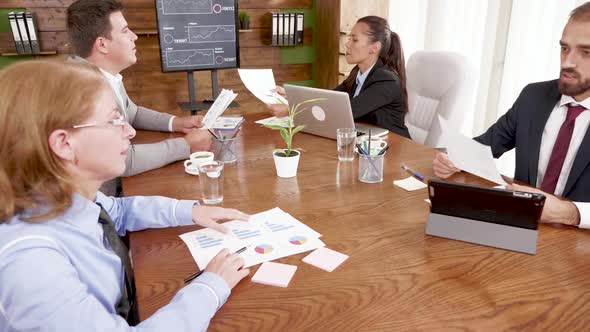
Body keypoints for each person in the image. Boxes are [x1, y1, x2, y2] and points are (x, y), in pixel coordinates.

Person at [0, 60, 250, 331]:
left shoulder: (60, 196)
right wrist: (210, 287)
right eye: (113, 120)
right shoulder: (32, 266)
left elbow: (116, 212)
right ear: (64, 143)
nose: (130, 131)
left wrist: (191, 211)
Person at [433, 2, 590, 228]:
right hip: (520, 225)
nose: (567, 62)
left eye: (586, 52)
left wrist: (571, 213)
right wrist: (454, 158)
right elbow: (487, 145)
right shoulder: (534, 96)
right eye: (564, 48)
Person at [67, 0, 212, 195]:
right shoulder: (82, 88)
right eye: (125, 31)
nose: (134, 37)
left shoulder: (101, 74)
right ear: (102, 44)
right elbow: (122, 159)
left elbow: (131, 111)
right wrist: (185, 145)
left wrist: (176, 123)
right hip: (104, 206)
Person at [267, 16, 411, 139]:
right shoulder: (358, 73)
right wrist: (292, 96)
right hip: (367, 142)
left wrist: (290, 109)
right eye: (349, 39)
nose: (347, 44)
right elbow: (330, 99)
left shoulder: (387, 81)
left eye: (354, 40)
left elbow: (345, 111)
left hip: (394, 146)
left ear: (374, 47)